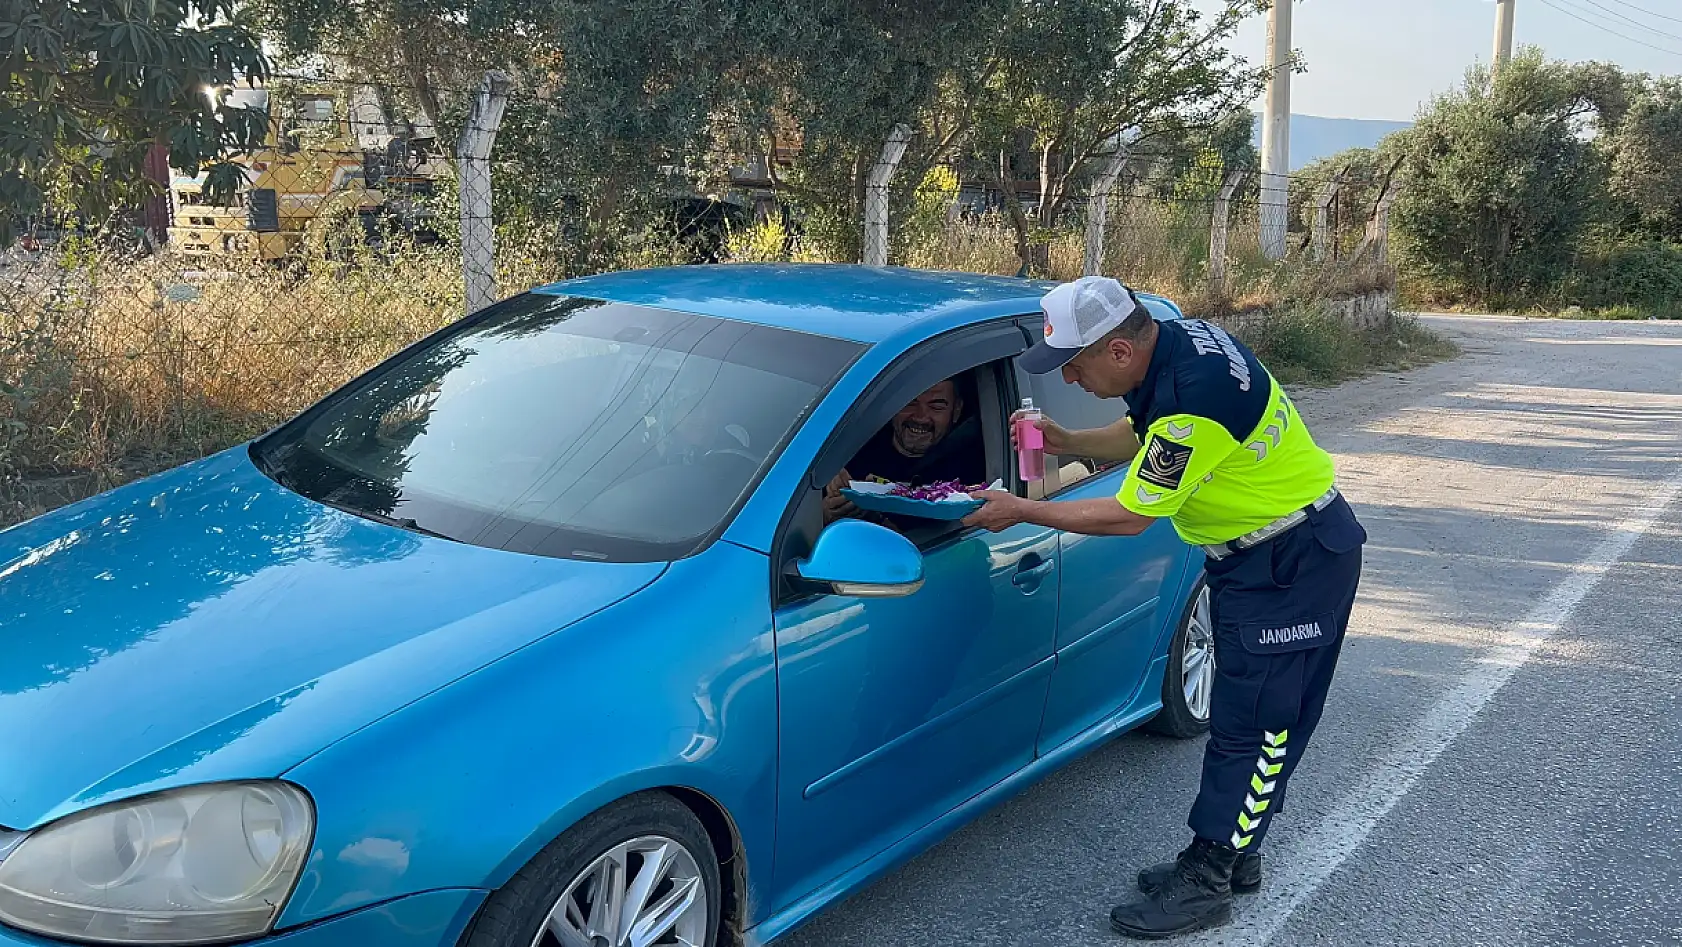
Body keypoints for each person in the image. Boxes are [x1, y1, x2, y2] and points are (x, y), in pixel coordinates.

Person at [962, 276, 1366, 939]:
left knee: (1258, 725)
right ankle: (1232, 851)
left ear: (1119, 349)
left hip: (1293, 562)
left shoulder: (1193, 400)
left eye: (1074, 363)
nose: (1070, 375)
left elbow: (1128, 515)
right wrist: (1065, 439)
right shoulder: (1179, 345)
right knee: (1252, 717)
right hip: (1260, 554)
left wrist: (1023, 510)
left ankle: (1210, 874)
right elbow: (1142, 436)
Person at [823, 378, 984, 524]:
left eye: (936, 407)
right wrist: (826, 513)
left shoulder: (973, 466)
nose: (921, 417)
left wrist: (872, 515)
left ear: (956, 410)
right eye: (910, 403)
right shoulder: (850, 448)